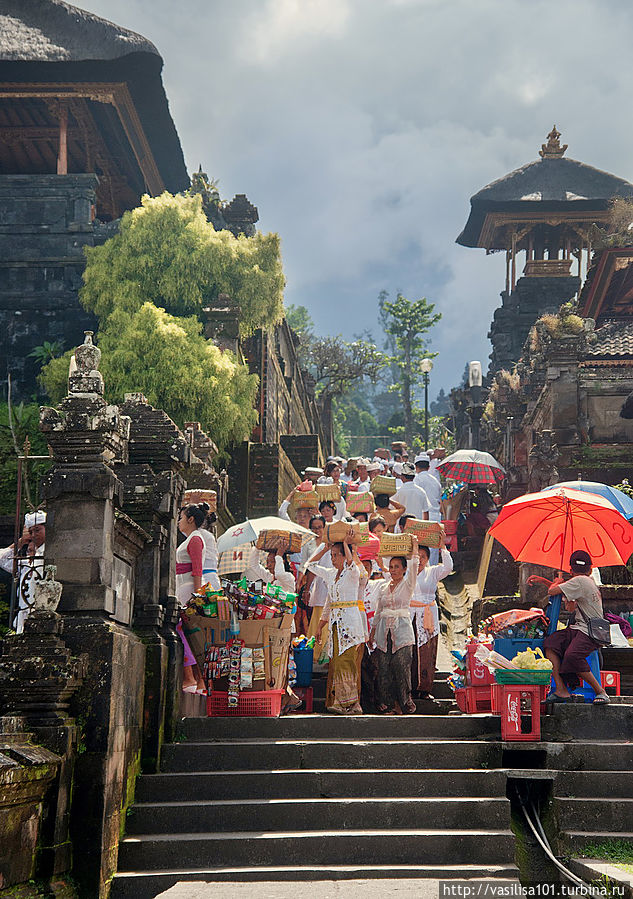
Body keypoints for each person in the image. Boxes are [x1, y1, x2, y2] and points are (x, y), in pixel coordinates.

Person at [309, 534, 368, 714]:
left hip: (350, 623)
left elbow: (351, 562)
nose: (333, 559)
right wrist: (324, 549)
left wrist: (345, 542)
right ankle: (342, 702)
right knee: (337, 661)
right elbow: (310, 566)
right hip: (335, 624)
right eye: (332, 555)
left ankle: (352, 703)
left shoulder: (352, 572)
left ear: (344, 555)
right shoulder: (330, 574)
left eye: (336, 555)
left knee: (347, 661)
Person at [543, 550, 610, 704]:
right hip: (579, 628)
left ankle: (601, 691)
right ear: (591, 569)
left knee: (572, 656)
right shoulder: (586, 581)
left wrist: (556, 583)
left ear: (571, 570)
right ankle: (561, 690)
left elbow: (552, 590)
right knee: (551, 643)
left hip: (588, 632)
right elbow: (571, 608)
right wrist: (552, 583)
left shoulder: (580, 580)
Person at [370, 536, 419, 714]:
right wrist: (372, 633)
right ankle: (387, 704)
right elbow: (378, 611)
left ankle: (405, 701)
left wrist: (414, 547)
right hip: (384, 632)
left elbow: (414, 567)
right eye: (391, 567)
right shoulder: (383, 587)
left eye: (397, 567)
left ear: (404, 569)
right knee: (384, 668)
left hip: (403, 631)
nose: (393, 570)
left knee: (401, 665)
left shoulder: (408, 585)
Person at [410, 534, 452, 698]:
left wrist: (442, 547)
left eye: (423, 557)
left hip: (429, 614)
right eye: (417, 556)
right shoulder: (408, 572)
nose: (420, 560)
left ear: (428, 558)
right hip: (412, 614)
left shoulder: (433, 572)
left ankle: (425, 689)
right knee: (412, 652)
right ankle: (411, 687)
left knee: (428, 650)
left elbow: (448, 567)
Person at [176, 504, 208, 693]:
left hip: (190, 589)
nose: (179, 521)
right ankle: (196, 679)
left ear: (190, 520)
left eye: (181, 517)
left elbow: (197, 570)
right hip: (183, 587)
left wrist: (197, 596)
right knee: (186, 631)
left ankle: (191, 678)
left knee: (185, 630)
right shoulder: (189, 539)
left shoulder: (196, 539)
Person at [0, 510, 46, 633]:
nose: (33, 535)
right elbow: (2, 559)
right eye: (30, 532)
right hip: (24, 613)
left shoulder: (48, 554)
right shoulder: (25, 563)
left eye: (37, 530)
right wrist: (21, 541)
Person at [414, 456, 442, 522]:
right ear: (429, 467)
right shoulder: (435, 480)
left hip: (423, 517)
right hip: (436, 517)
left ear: (416, 467)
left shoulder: (416, 479)